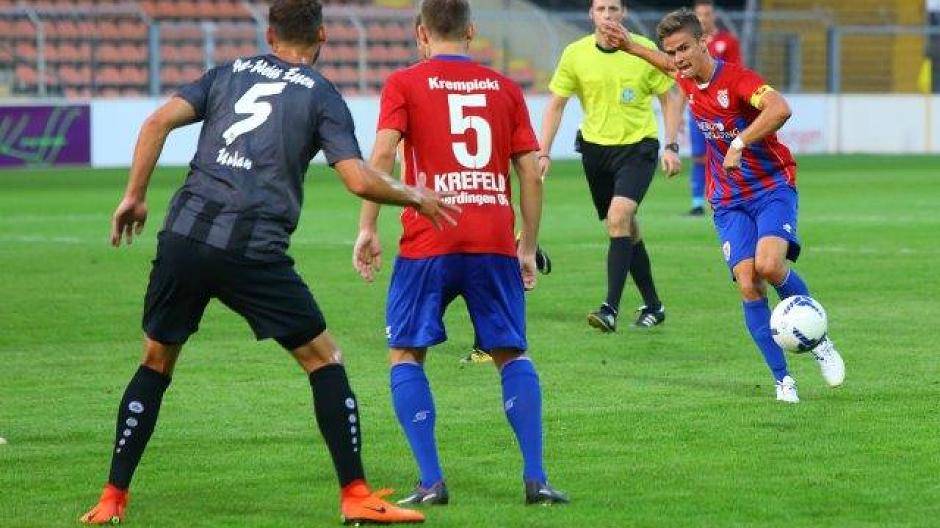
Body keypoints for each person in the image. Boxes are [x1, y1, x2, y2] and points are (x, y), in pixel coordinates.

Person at [77, 1, 460, 524]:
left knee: (155, 362)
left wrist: (134, 196)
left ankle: (111, 498)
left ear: (270, 35)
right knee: (325, 360)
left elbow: (156, 122)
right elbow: (356, 178)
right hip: (252, 249)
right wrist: (415, 195)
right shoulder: (321, 94)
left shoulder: (228, 72)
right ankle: (355, 496)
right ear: (323, 35)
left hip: (184, 237)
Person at [352, 0, 568, 506]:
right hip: (492, 236)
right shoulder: (505, 88)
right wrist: (527, 246)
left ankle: (431, 481)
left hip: (429, 236)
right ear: (471, 31)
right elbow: (530, 172)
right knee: (510, 352)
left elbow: (382, 154)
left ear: (420, 33)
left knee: (407, 352)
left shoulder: (404, 83)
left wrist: (368, 226)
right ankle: (536, 479)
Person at [601, 9, 846, 403]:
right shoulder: (684, 74)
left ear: (704, 42)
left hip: (771, 185)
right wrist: (630, 45)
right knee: (748, 282)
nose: (678, 58)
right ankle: (783, 380)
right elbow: (666, 64)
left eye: (684, 48)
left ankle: (821, 342)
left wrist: (739, 143)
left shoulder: (737, 79)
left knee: (770, 266)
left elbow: (780, 108)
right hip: (729, 199)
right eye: (672, 51)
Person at [539, 0, 683, 333]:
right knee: (625, 226)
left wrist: (671, 145)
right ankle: (654, 305)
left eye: (613, 8)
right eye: (601, 8)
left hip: (638, 148)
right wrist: (543, 151)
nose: (607, 15)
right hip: (595, 152)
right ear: (591, 14)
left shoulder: (643, 50)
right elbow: (556, 105)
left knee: (618, 218)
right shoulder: (575, 54)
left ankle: (609, 310)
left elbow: (671, 97)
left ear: (624, 13)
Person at [687, 0, 743, 216]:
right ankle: (697, 203)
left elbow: (735, 73)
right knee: (699, 157)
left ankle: (728, 198)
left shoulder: (727, 41)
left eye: (707, 14)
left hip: (722, 110)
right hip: (697, 109)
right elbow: (685, 79)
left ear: (714, 16)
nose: (703, 18)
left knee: (725, 155)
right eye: (699, 15)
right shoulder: (690, 44)